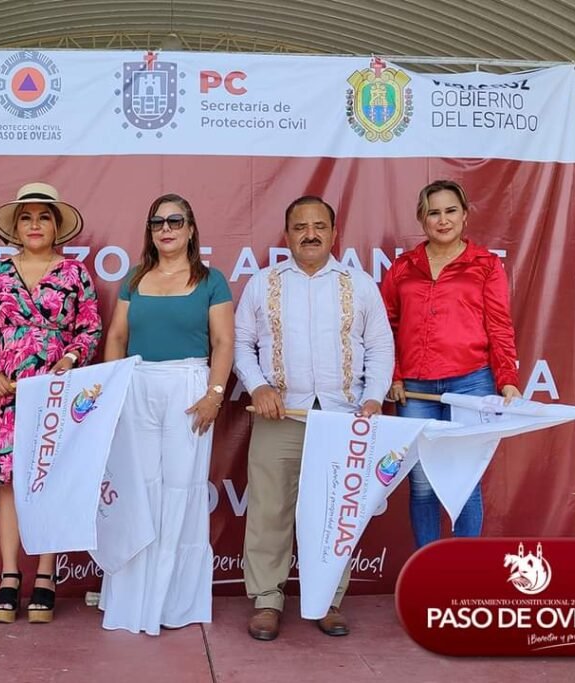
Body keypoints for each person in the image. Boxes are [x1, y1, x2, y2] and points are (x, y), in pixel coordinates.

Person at [234, 195, 394, 641]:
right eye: (300, 227)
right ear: (287, 235)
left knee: (335, 512)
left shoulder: (359, 284)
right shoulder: (263, 283)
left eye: (319, 226)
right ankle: (267, 600)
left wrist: (373, 398)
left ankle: (328, 599)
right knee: (269, 509)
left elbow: (380, 346)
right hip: (281, 413)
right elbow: (241, 343)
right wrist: (258, 386)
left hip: (342, 418)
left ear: (334, 233)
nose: (310, 234)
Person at [0, 182, 101, 624]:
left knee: (49, 480)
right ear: (16, 227)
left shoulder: (75, 273)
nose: (35, 224)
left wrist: (70, 359)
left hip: (54, 396)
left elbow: (90, 329)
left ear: (56, 226)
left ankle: (45, 573)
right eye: (26, 217)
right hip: (4, 395)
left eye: (44, 217)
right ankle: (9, 575)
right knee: (7, 485)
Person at [100, 193, 234, 636]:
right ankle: (131, 601)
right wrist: (115, 390)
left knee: (181, 490)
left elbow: (224, 342)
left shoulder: (211, 280)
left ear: (191, 229)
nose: (166, 229)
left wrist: (215, 395)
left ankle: (171, 602)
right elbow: (116, 337)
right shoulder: (135, 278)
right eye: (158, 222)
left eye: (176, 221)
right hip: (137, 386)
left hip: (189, 388)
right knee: (138, 491)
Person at [381, 179, 522, 548]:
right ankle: (427, 570)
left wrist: (507, 379)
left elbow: (499, 326)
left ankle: (464, 571)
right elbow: (385, 327)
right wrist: (394, 375)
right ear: (421, 218)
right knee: (422, 483)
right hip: (415, 389)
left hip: (471, 384)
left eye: (450, 211)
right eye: (434, 213)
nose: (443, 220)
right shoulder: (402, 268)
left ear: (464, 215)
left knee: (465, 481)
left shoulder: (486, 265)